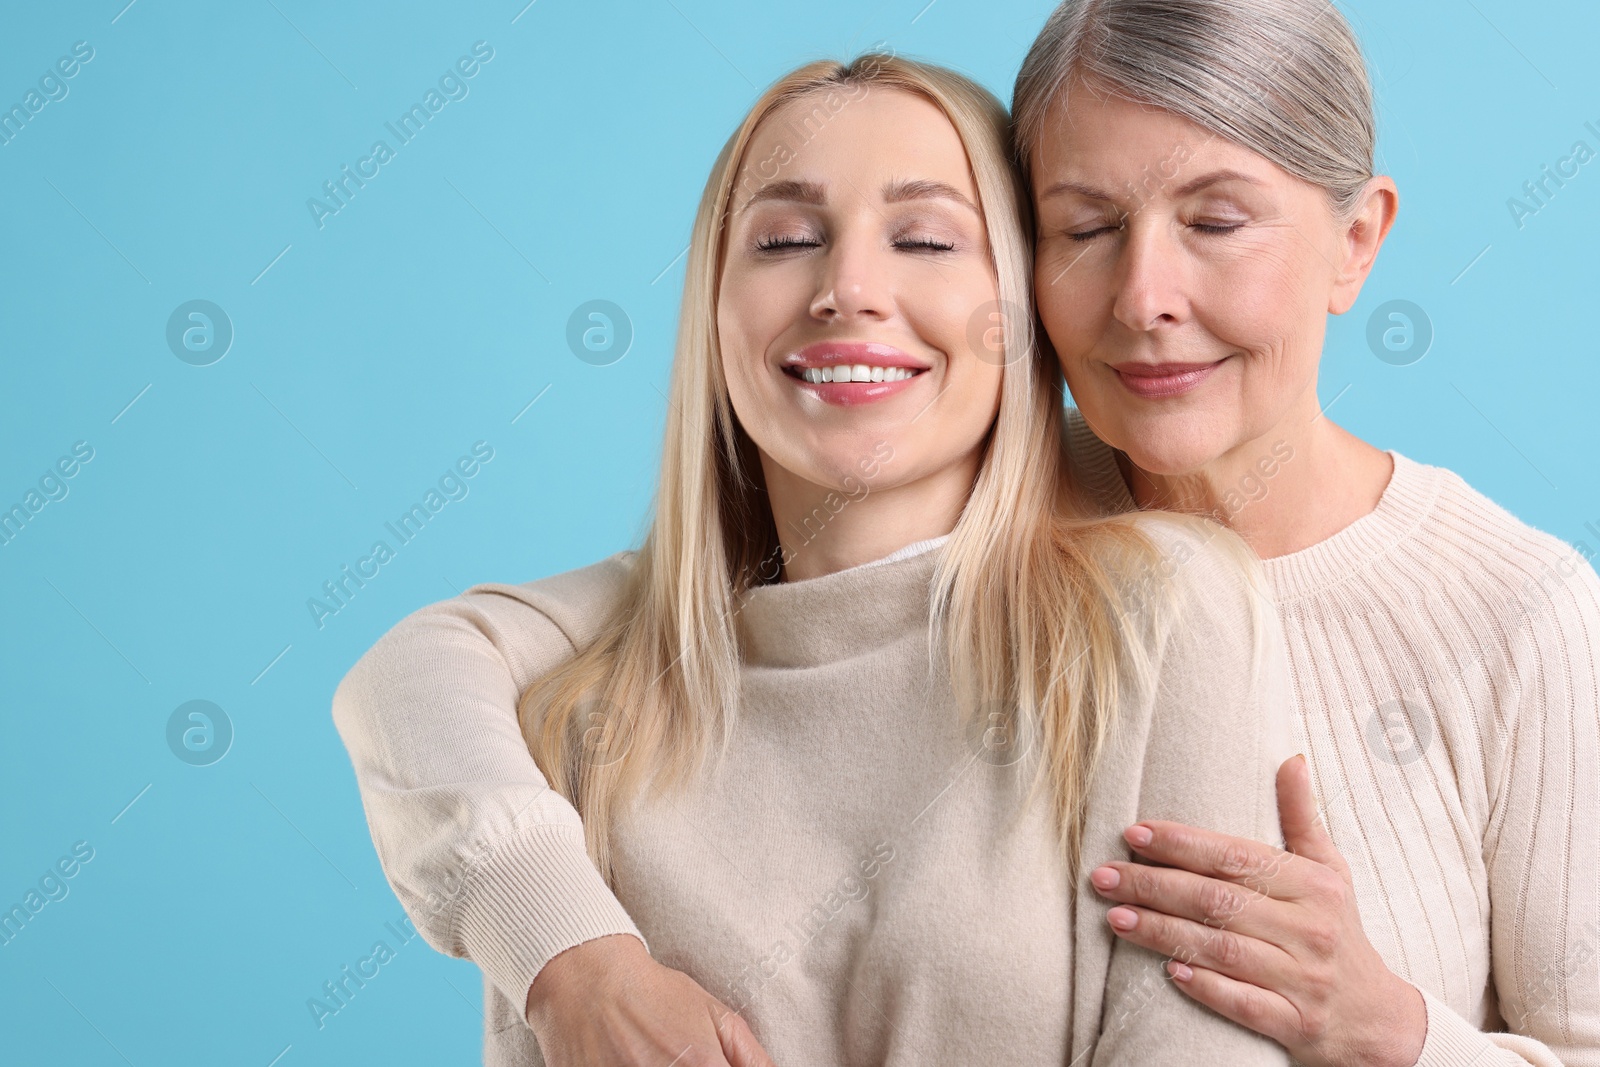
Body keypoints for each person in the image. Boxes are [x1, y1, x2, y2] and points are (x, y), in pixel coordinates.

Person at [334, 53, 1295, 1067]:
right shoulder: (583, 716)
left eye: (925, 237)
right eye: (784, 239)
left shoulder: (1163, 609)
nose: (846, 289)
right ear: (714, 311)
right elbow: (413, 672)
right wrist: (572, 958)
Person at [1011, 1, 1600, 1064]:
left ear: (1354, 242)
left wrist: (1389, 1030)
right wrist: (596, 951)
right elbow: (638, 632)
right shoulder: (970, 527)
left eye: (1216, 220)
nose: (1142, 297)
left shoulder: (1524, 611)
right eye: (1086, 228)